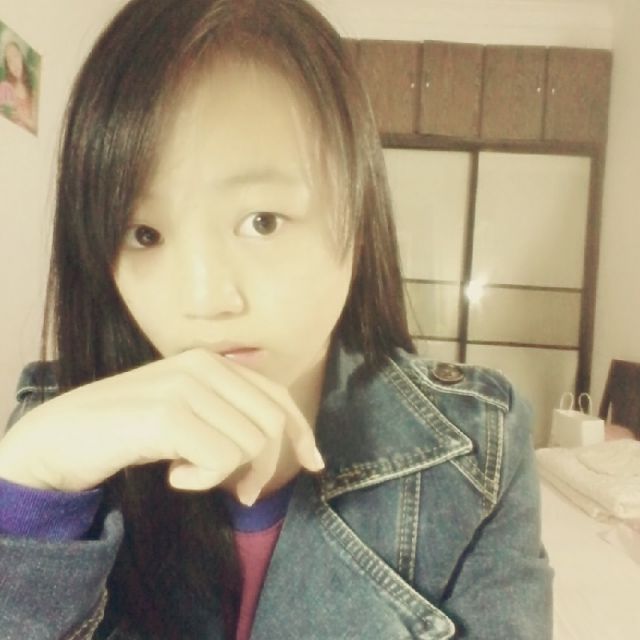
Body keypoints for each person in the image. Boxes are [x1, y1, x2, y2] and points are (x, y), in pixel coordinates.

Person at [0, 0, 552, 638]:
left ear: (358, 212)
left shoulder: (478, 450)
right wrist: (26, 497)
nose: (206, 299)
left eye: (261, 221)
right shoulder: (54, 441)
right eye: (144, 233)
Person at [0, 38, 36, 131]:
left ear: (21, 57)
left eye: (15, 56)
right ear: (7, 66)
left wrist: (21, 117)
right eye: (10, 60)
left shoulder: (32, 92)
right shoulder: (4, 87)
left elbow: (35, 126)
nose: (14, 64)